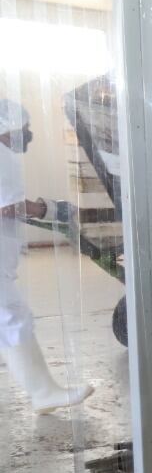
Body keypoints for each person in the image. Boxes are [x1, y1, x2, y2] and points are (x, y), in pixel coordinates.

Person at [0, 99, 94, 413]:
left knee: (9, 318)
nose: (29, 135)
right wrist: (49, 209)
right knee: (13, 316)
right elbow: (7, 206)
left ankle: (42, 391)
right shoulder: (2, 155)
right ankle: (43, 392)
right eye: (25, 128)